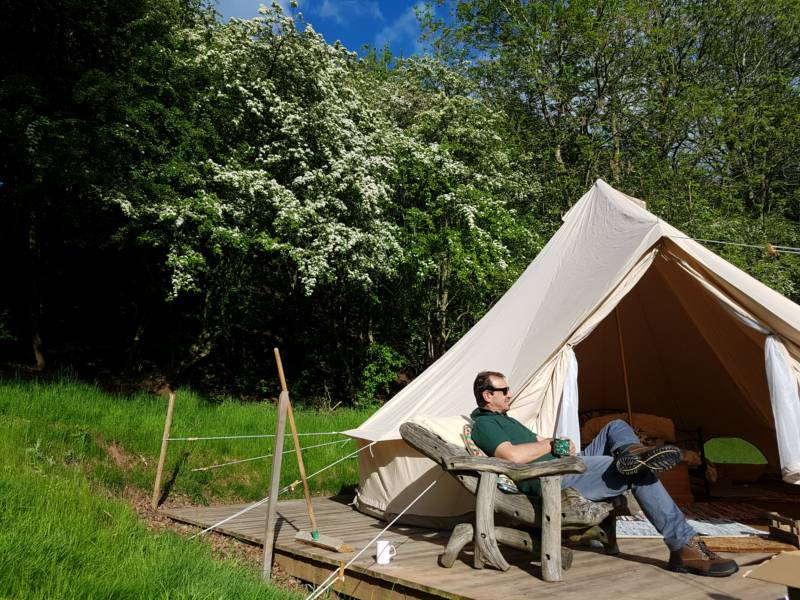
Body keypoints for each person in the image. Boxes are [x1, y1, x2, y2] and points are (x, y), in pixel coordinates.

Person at [469, 370, 739, 577]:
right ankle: (683, 545)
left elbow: (542, 440)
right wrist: (550, 445)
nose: (510, 393)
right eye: (503, 390)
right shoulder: (484, 424)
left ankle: (633, 452)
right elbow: (512, 456)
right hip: (552, 476)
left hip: (566, 462)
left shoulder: (507, 419)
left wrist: (562, 443)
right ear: (487, 395)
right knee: (634, 471)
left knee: (616, 427)